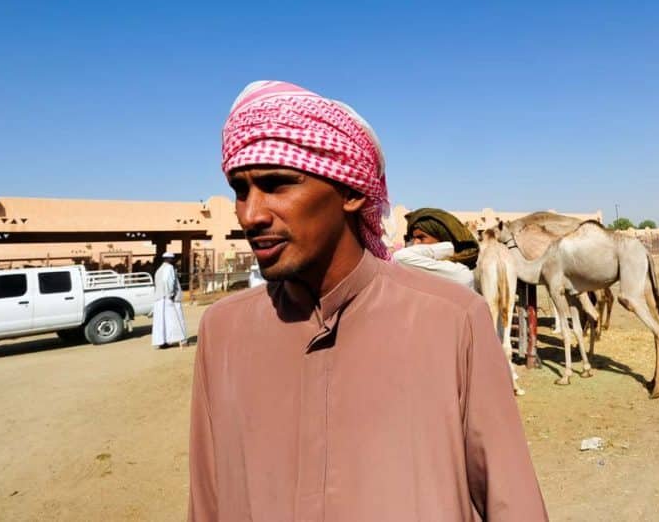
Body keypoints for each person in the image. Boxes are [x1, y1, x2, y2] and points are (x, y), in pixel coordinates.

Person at [189, 81, 547, 520]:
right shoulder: (223, 332)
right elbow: (207, 500)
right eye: (240, 190)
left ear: (352, 192)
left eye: (277, 184)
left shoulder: (451, 321)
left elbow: (512, 502)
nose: (250, 214)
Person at [391, 208, 479, 288]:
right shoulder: (418, 265)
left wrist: (447, 247)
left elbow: (399, 256)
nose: (415, 243)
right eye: (412, 239)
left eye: (421, 238)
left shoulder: (459, 273)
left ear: (442, 238)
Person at [151, 252, 188, 349]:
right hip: (169, 298)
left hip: (159, 299)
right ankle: (182, 340)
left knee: (162, 321)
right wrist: (171, 294)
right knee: (176, 319)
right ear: (169, 259)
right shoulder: (169, 268)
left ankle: (163, 342)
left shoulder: (159, 270)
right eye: (173, 259)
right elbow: (168, 281)